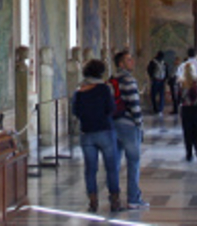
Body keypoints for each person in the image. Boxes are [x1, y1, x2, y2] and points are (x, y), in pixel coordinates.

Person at [72, 59, 122, 213]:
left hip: (87, 133)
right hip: (105, 131)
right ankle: (114, 200)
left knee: (90, 169)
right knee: (111, 167)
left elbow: (75, 111)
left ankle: (93, 202)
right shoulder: (104, 89)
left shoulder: (79, 91)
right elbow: (111, 108)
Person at [112, 51, 149, 209]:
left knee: (114, 163)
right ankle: (133, 198)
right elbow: (134, 105)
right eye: (128, 60)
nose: (132, 61)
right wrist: (140, 124)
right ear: (121, 64)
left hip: (114, 123)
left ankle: (114, 198)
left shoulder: (112, 80)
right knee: (133, 161)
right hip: (128, 125)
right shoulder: (129, 80)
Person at [178, 62, 197, 161]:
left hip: (186, 109)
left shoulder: (181, 83)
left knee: (187, 131)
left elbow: (178, 98)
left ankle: (189, 152)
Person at [146, 51, 167, 115]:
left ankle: (155, 108)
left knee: (153, 95)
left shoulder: (153, 62)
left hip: (155, 80)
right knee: (161, 95)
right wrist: (165, 78)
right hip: (162, 80)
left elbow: (149, 69)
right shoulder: (164, 63)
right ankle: (160, 109)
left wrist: (151, 76)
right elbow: (167, 71)